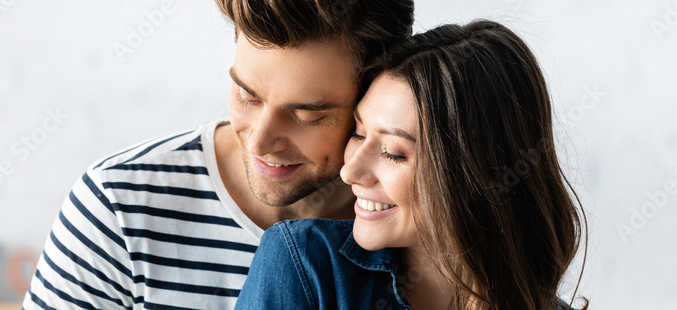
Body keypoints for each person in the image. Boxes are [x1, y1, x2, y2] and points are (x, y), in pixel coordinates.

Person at [21, 1, 414, 309]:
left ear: (374, 96)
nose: (260, 142)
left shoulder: (418, 218)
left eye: (307, 114)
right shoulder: (118, 206)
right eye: (247, 95)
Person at [235, 20, 589, 310]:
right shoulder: (305, 265)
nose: (350, 172)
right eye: (358, 134)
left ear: (473, 174)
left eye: (392, 152)